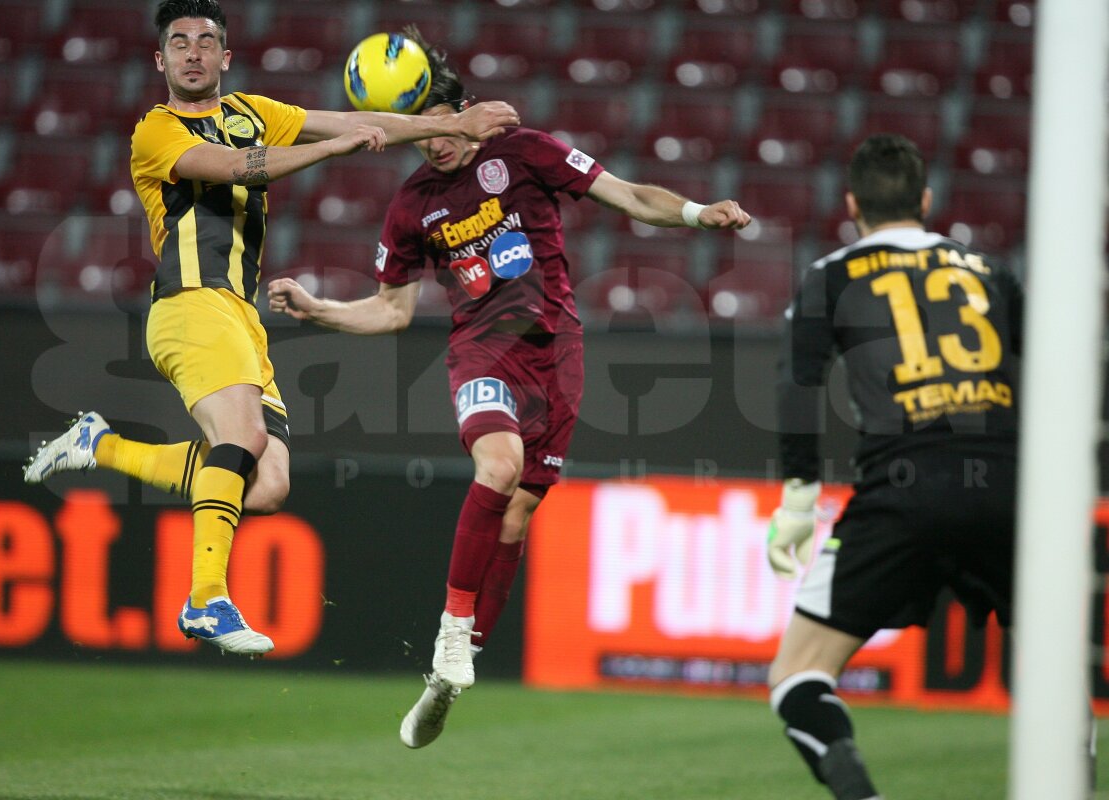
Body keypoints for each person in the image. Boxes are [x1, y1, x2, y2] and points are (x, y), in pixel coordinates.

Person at [267, 31, 751, 747]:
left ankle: (445, 684)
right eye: (420, 133)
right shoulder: (411, 206)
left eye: (442, 125)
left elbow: (627, 196)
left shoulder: (524, 151)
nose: (434, 145)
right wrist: (321, 310)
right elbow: (392, 310)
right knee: (498, 466)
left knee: (518, 519)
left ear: (463, 109)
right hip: (481, 350)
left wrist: (694, 214)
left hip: (557, 356)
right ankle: (451, 635)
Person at [22, 0, 519, 657]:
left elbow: (354, 120)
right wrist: (331, 148)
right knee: (245, 436)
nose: (193, 52)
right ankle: (206, 598)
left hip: (240, 315)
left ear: (226, 57)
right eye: (179, 43)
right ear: (160, 60)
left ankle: (102, 445)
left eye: (206, 42)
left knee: (267, 485)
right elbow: (234, 168)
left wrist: (455, 121)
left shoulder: (250, 112)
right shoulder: (158, 131)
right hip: (189, 303)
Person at [764, 134, 1025, 800]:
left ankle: (860, 792)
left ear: (852, 204)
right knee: (1055, 673)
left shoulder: (834, 275)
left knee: (798, 675)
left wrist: (798, 501)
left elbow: (797, 387)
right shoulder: (991, 272)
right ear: (927, 201)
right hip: (1011, 489)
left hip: (901, 489)